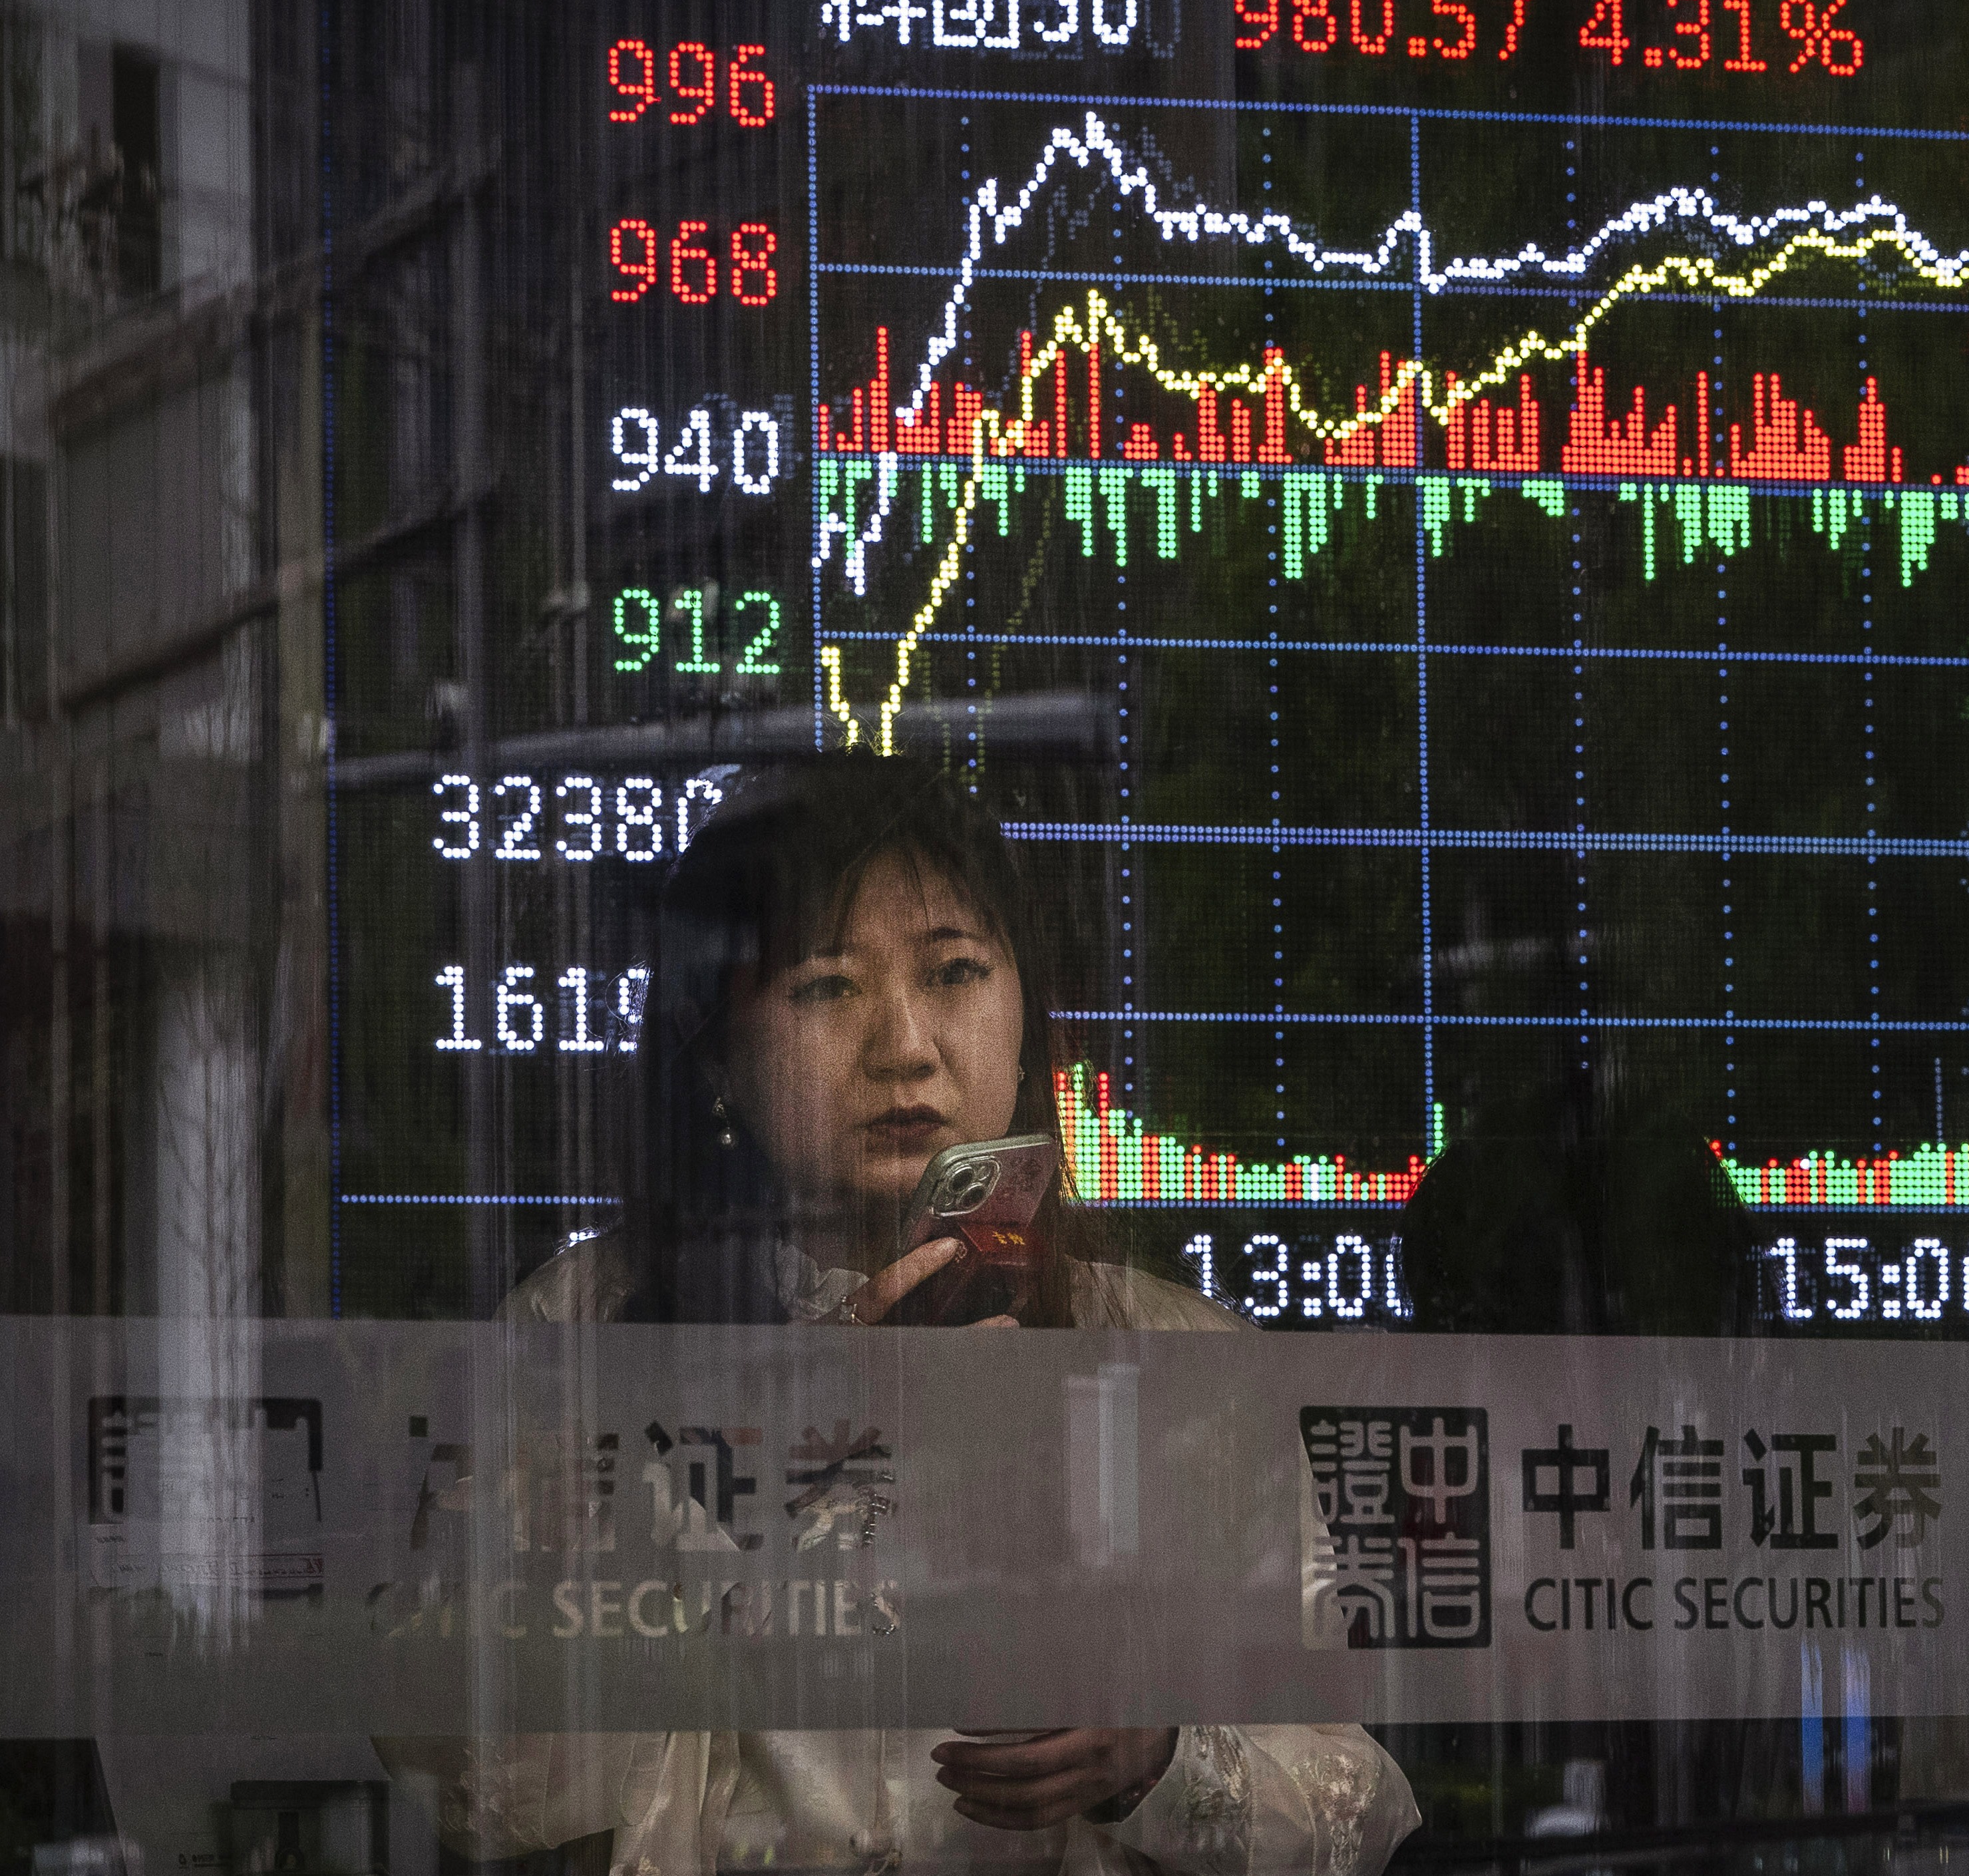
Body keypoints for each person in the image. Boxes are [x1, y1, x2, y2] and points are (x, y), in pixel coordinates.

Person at [384, 754, 1419, 1876]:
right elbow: (463, 1765)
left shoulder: (1176, 1362)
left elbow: (1352, 1810)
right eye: (827, 986)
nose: (907, 1048)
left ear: (1027, 1021)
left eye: (956, 973)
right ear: (715, 1052)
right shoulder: (572, 1334)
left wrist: (1157, 1759)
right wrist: (749, 1475)